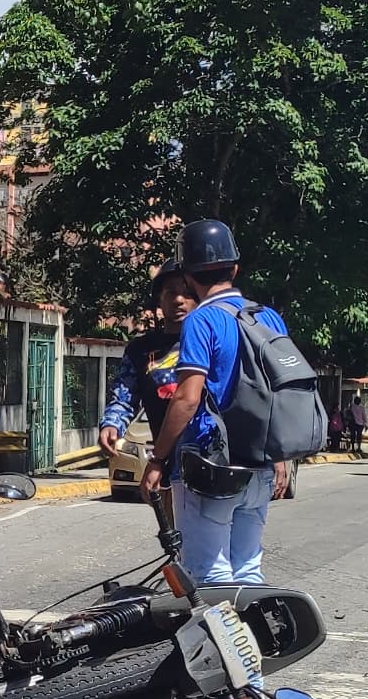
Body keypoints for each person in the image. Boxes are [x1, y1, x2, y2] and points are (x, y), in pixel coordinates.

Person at [140, 220, 292, 585]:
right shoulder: (267, 317)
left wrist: (158, 459)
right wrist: (282, 456)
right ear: (235, 268)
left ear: (189, 275)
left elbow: (187, 399)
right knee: (247, 570)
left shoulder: (201, 321)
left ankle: (220, 644)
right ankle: (252, 640)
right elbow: (281, 394)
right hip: (260, 464)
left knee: (210, 574)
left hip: (209, 467)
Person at [101, 263, 194, 516]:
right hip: (166, 466)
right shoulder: (141, 350)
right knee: (176, 544)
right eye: (169, 293)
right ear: (159, 301)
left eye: (186, 292)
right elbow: (124, 395)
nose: (178, 300)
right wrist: (112, 423)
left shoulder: (213, 340)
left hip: (212, 464)